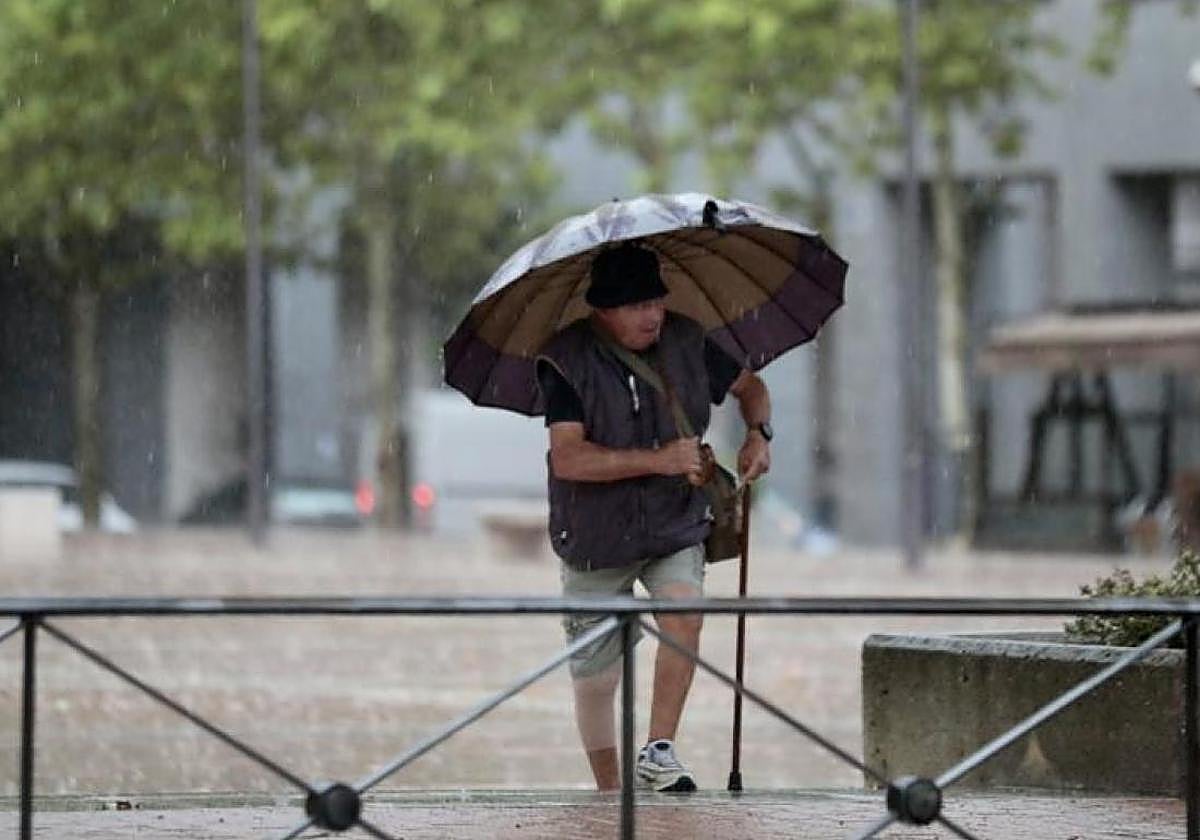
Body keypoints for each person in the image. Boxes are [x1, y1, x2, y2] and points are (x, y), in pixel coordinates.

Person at [535, 242, 772, 792]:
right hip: (593, 536)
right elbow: (568, 458)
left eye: (656, 302)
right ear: (602, 310)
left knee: (684, 609)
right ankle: (610, 796)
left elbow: (753, 389)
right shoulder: (564, 361)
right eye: (636, 306)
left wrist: (759, 434)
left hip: (674, 521)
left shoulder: (689, 341)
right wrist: (658, 459)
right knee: (598, 678)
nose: (652, 316)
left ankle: (659, 750)